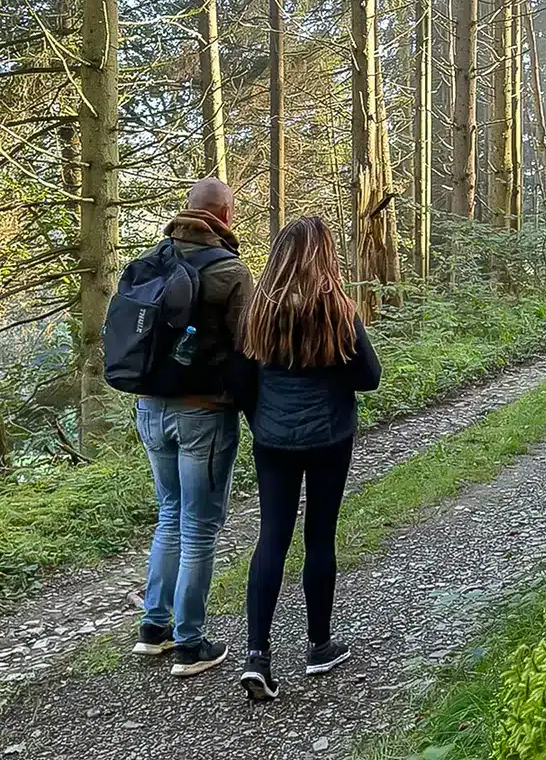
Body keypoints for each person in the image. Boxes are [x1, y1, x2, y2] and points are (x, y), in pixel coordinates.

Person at [233, 215, 381, 702]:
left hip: (272, 441)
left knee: (271, 538)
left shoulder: (257, 309)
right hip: (329, 439)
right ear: (325, 256)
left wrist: (261, 417)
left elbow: (239, 385)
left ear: (279, 255)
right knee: (320, 537)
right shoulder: (336, 309)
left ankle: (257, 656)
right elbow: (369, 377)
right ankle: (319, 645)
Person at [131, 178, 254, 675]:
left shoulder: (152, 261)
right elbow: (249, 347)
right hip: (203, 412)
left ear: (188, 211)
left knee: (169, 516)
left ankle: (153, 628)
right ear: (224, 216)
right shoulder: (230, 271)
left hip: (150, 409)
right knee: (200, 528)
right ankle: (189, 642)